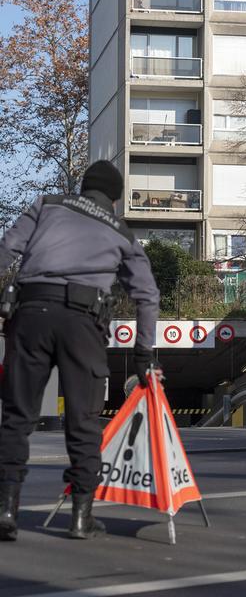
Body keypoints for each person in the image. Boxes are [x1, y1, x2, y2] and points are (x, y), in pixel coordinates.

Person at [0, 160, 161, 541]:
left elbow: (7, 249)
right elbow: (147, 295)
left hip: (31, 314)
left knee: (17, 416)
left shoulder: (47, 204)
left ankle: (6, 508)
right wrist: (144, 353)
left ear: (82, 186)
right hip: (82, 325)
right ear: (116, 199)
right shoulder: (122, 233)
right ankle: (80, 517)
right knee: (83, 422)